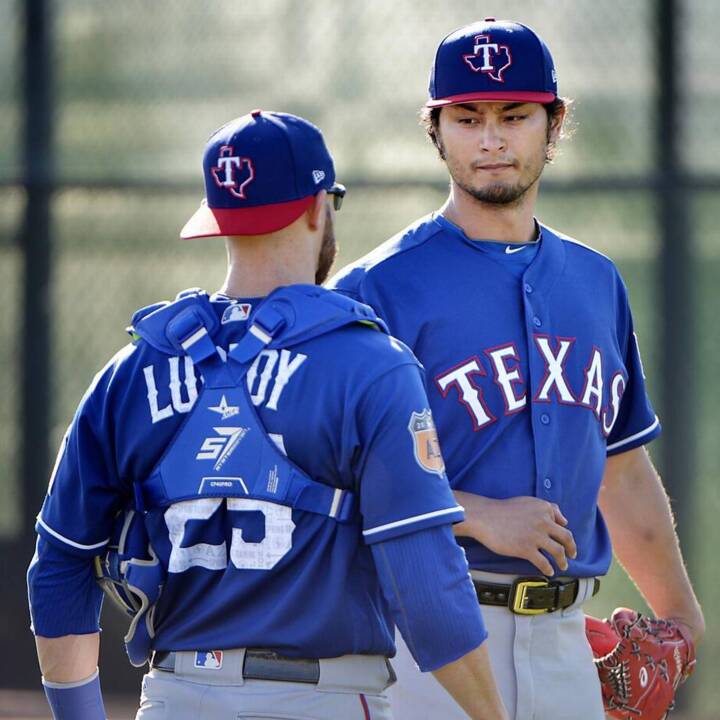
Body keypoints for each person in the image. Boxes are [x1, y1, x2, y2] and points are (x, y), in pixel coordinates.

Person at [26, 109, 508, 720]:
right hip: (319, 698)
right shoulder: (370, 365)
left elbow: (60, 566)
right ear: (316, 208)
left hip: (174, 698)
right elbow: (426, 584)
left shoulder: (131, 369)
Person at [328, 18, 704, 720]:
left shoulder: (596, 282)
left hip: (569, 644)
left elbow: (620, 467)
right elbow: (323, 479)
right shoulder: (372, 290)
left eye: (515, 114)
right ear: (436, 130)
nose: (492, 138)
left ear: (553, 124)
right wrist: (476, 514)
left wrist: (683, 616)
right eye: (467, 117)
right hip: (423, 641)